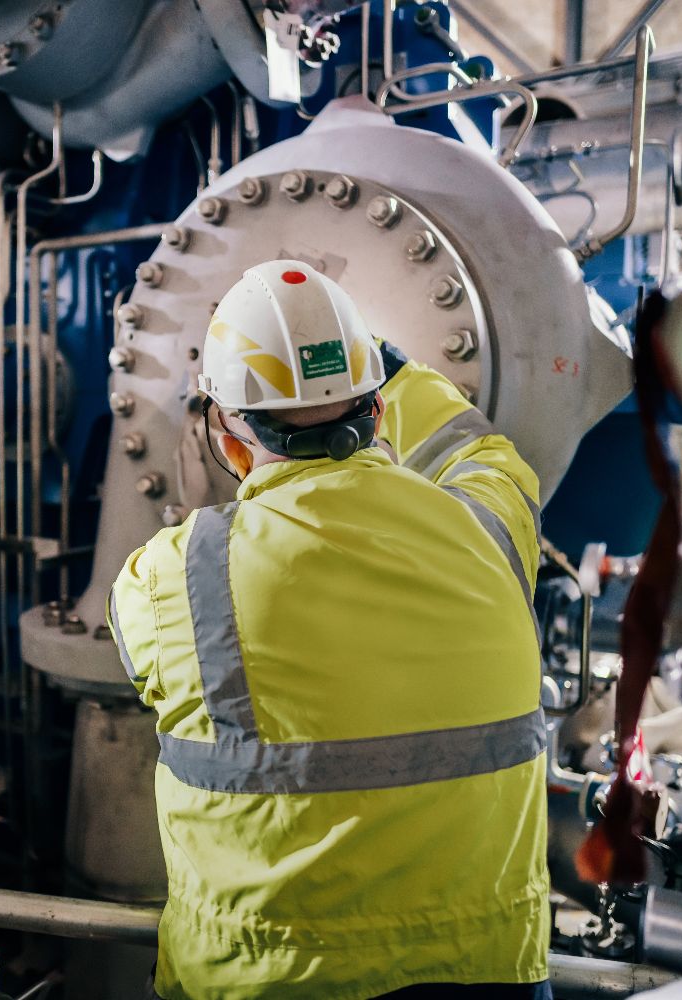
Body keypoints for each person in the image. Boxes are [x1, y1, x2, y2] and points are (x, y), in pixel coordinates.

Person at [107, 260, 551, 1000]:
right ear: (376, 411)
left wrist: (190, 517)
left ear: (226, 430)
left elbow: (142, 662)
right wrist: (393, 370)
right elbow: (486, 455)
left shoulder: (171, 577)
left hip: (265, 981)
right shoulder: (491, 533)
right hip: (485, 973)